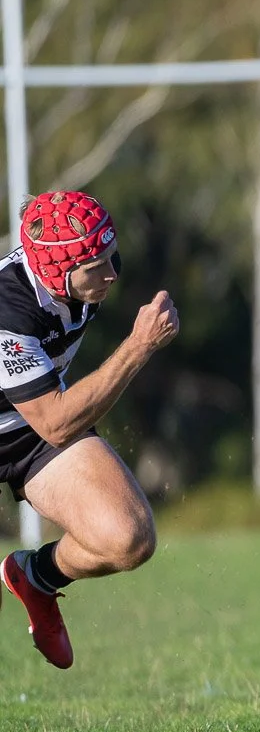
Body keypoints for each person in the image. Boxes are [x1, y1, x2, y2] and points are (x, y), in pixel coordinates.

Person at [0, 190, 179, 669]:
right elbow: (57, 422)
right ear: (55, 271)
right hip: (44, 418)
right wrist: (139, 347)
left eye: (110, 255)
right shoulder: (7, 314)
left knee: (129, 538)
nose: (111, 273)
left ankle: (36, 578)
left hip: (26, 427)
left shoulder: (76, 275)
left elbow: (48, 421)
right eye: (96, 265)